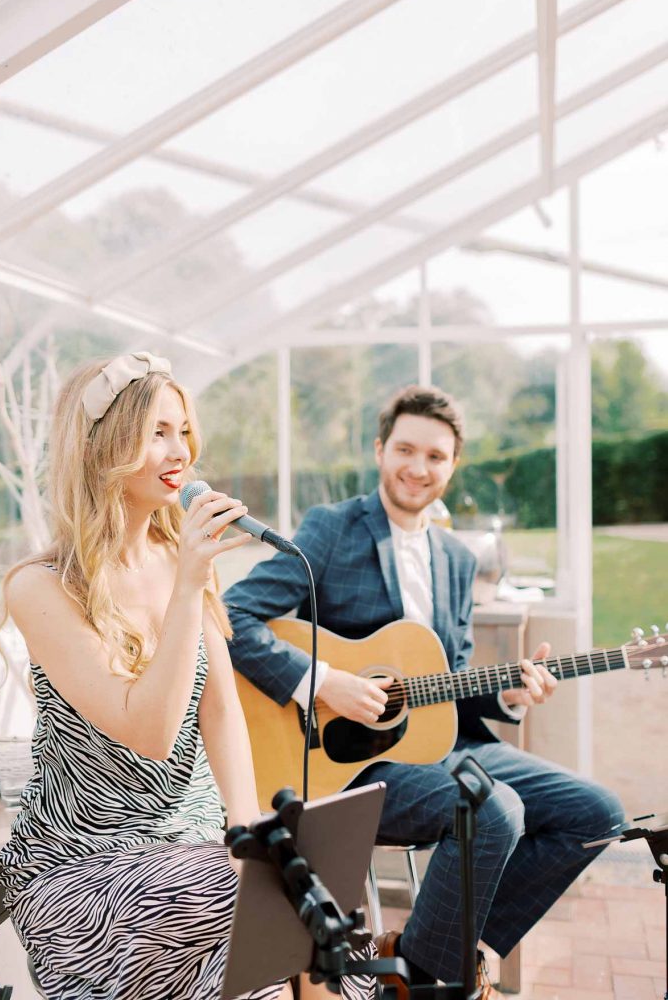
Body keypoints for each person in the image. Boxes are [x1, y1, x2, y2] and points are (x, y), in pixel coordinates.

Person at [224, 384, 625, 995]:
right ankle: (434, 981)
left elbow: (452, 681)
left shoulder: (457, 560)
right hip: (343, 762)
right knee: (493, 808)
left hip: (443, 745)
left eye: (435, 457)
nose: (418, 468)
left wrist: (508, 695)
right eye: (405, 449)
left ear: (453, 465)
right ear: (381, 450)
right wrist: (325, 681)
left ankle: (431, 958)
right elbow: (234, 618)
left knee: (597, 814)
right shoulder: (332, 530)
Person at [0, 353, 372, 1000]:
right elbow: (151, 730)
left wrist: (249, 828)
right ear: (104, 448)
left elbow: (220, 710)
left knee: (311, 902)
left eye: (183, 431)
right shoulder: (41, 587)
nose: (180, 451)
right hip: (85, 861)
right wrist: (189, 584)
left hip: (196, 843)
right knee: (257, 909)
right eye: (157, 433)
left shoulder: (176, 558)